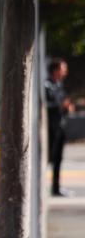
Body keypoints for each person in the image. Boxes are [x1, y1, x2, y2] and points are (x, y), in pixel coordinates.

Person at [46, 58, 74, 197]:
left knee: (58, 159)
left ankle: (56, 187)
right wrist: (61, 105)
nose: (65, 72)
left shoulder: (58, 85)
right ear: (55, 70)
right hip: (51, 128)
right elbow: (48, 105)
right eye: (63, 69)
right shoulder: (48, 85)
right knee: (49, 157)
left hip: (60, 126)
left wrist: (67, 107)